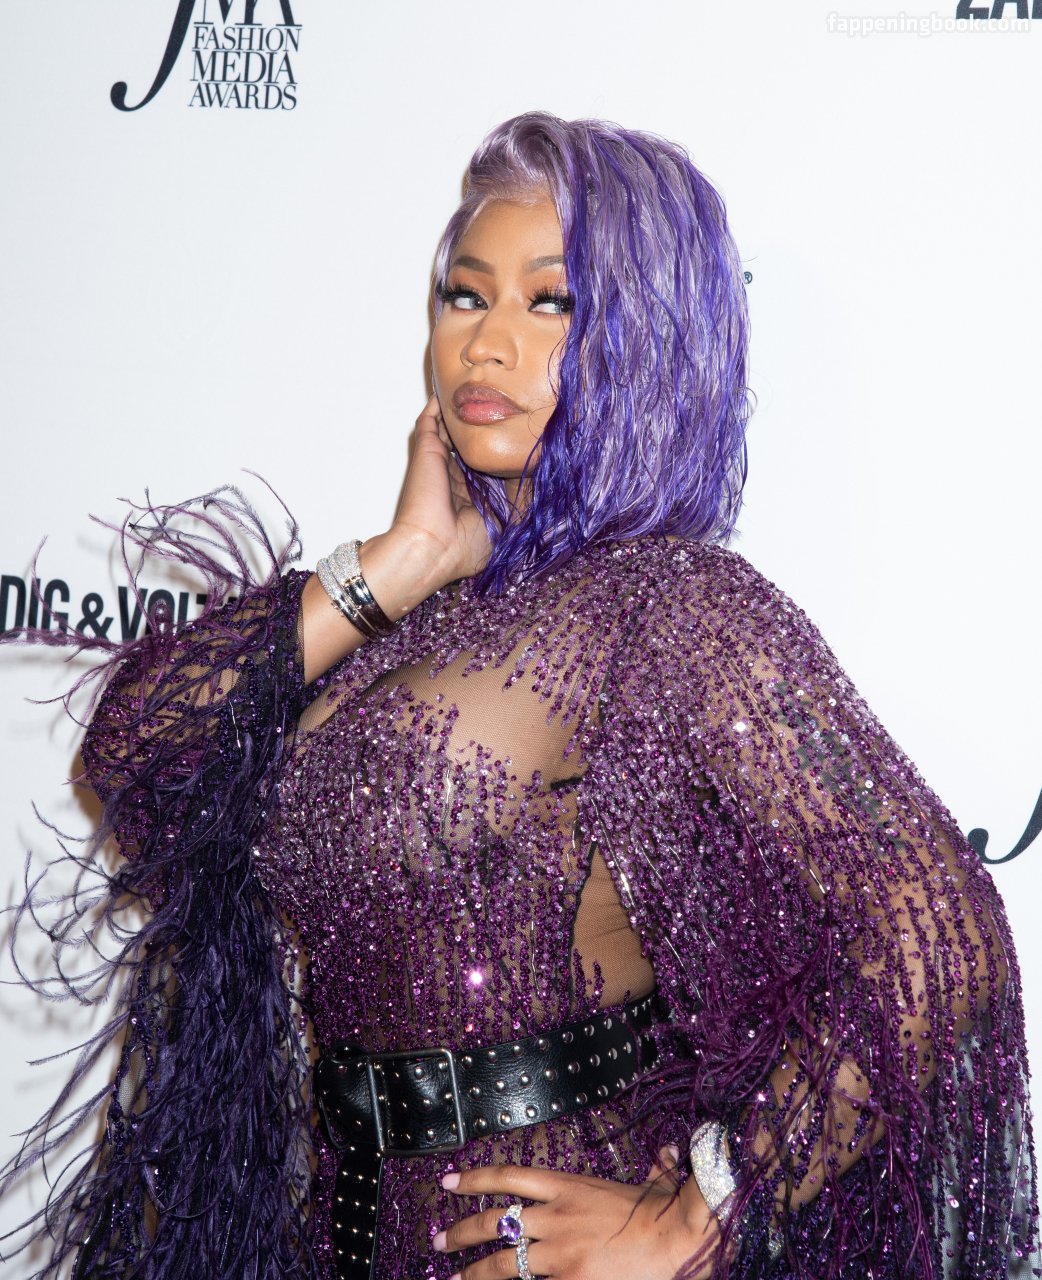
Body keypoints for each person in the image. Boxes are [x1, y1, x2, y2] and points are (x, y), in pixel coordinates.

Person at [3, 111, 1039, 1280]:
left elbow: (936, 938)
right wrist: (397, 560)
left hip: (535, 1244)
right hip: (336, 1238)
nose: (486, 343)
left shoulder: (668, 601)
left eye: (550, 302)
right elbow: (137, 747)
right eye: (465, 294)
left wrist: (701, 1209)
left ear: (646, 340)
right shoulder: (414, 612)